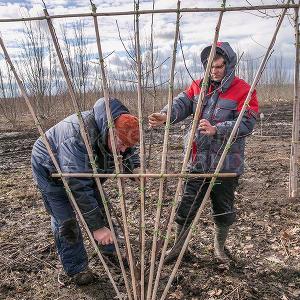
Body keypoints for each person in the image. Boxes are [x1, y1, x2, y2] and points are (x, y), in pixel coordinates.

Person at [148, 42, 259, 263]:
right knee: (186, 207)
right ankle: (179, 249)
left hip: (226, 164)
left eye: (219, 66)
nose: (215, 70)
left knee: (223, 211)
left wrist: (217, 129)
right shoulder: (198, 86)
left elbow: (247, 123)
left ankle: (219, 249)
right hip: (197, 161)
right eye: (211, 66)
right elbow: (181, 104)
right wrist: (165, 115)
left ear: (229, 65)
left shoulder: (244, 89)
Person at [31, 97, 140, 285]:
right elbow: (77, 184)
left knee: (100, 209)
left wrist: (135, 168)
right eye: (121, 145)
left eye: (126, 147)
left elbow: (126, 149)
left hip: (85, 170)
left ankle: (110, 251)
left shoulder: (119, 126)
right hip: (50, 168)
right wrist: (96, 228)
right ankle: (77, 269)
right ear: (111, 132)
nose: (122, 151)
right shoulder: (77, 136)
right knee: (66, 221)